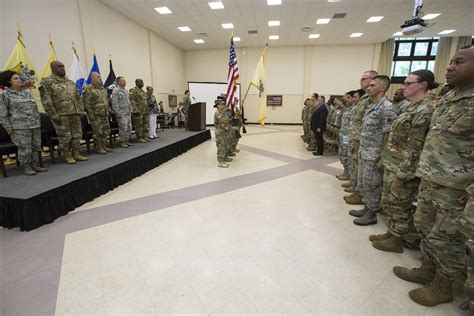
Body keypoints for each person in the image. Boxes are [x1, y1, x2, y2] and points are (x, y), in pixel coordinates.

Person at [393, 45, 474, 307]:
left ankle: (443, 286)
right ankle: (427, 269)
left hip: (456, 189)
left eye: (458, 62)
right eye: (450, 61)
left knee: (448, 238)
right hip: (430, 178)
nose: (449, 67)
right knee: (426, 226)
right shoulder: (450, 98)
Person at [370, 69, 438, 252]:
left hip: (404, 168)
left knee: (400, 204)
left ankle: (397, 240)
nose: (403, 87)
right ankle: (391, 233)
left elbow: (415, 147)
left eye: (408, 84)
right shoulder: (412, 106)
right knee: (391, 202)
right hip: (394, 163)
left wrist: (401, 174)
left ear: (422, 85)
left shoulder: (425, 109)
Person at [352, 75, 397, 226]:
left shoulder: (387, 108)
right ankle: (367, 207)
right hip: (365, 152)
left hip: (375, 155)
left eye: (372, 85)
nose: (368, 88)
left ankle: (371, 213)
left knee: (373, 184)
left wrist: (382, 158)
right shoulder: (372, 105)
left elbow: (388, 134)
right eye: (368, 85)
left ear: (382, 88)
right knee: (365, 183)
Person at [39, 61, 88, 164]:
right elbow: (46, 100)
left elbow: (77, 97)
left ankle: (76, 153)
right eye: (59, 67)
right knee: (65, 137)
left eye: (63, 66)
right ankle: (67, 155)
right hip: (61, 115)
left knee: (77, 135)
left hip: (74, 113)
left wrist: (80, 110)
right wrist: (53, 114)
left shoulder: (69, 82)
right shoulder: (47, 82)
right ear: (53, 68)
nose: (62, 68)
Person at [0, 70, 47, 175]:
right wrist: (10, 130)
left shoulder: (27, 92)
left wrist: (38, 122)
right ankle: (27, 167)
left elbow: (34, 109)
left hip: (34, 124)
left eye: (19, 77)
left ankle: (35, 165)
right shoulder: (5, 95)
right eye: (15, 78)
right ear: (9, 81)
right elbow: (3, 115)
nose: (19, 79)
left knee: (35, 146)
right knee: (25, 148)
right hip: (20, 127)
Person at [345, 70, 378, 205]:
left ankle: (362, 196)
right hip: (357, 138)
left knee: (366, 173)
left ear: (373, 80)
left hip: (368, 143)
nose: (361, 81)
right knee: (357, 167)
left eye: (364, 78)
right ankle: (357, 189)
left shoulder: (374, 100)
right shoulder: (364, 100)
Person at [82, 72, 111, 154]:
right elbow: (87, 104)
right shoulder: (88, 89)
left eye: (100, 77)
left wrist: (108, 110)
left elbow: (106, 100)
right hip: (96, 115)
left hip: (104, 113)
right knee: (98, 132)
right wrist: (91, 116)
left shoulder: (102, 88)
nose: (100, 78)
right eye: (98, 77)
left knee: (106, 130)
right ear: (93, 78)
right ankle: (99, 147)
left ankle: (104, 145)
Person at [337, 91, 356, 181]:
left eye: (348, 98)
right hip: (343, 135)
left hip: (347, 137)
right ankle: (345, 172)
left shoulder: (354, 109)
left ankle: (347, 174)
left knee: (347, 154)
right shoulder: (348, 108)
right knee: (343, 153)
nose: (346, 99)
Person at [111, 76, 133, 148]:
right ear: (119, 82)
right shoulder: (116, 91)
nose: (125, 82)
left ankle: (127, 140)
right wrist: (117, 112)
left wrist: (131, 110)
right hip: (122, 113)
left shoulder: (125, 91)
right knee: (123, 128)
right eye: (123, 81)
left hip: (128, 112)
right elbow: (114, 103)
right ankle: (122, 141)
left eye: (125, 80)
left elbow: (128, 102)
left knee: (129, 128)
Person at [214, 99, 233, 168]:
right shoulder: (218, 113)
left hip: (224, 132)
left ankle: (224, 157)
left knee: (225, 146)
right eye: (221, 104)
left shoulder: (223, 112)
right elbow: (223, 124)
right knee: (221, 147)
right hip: (220, 133)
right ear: (218, 105)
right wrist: (231, 128)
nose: (223, 105)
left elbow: (227, 121)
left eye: (223, 104)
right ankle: (220, 162)